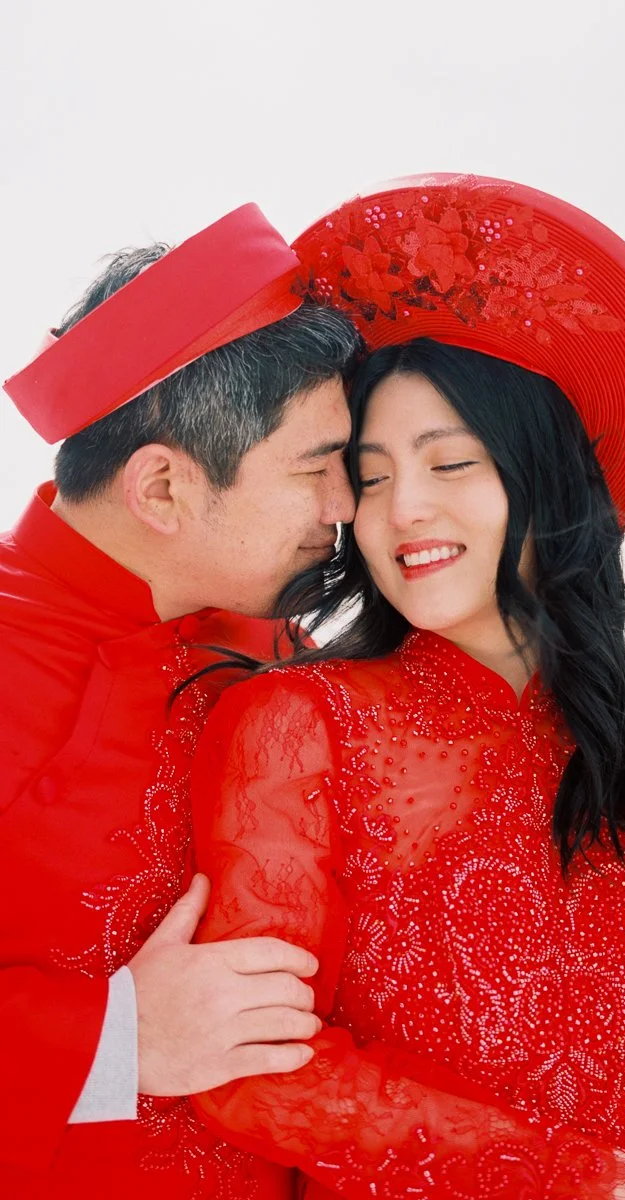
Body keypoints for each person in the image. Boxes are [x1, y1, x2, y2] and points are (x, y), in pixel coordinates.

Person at [188, 176, 625, 1200]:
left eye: (450, 463)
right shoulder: (300, 725)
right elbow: (252, 1068)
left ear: (542, 478)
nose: (403, 509)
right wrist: (568, 1179)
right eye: (371, 476)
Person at [0, 204, 363, 1199]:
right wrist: (115, 1041)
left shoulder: (280, 660)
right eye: (313, 467)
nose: (344, 505)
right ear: (160, 488)